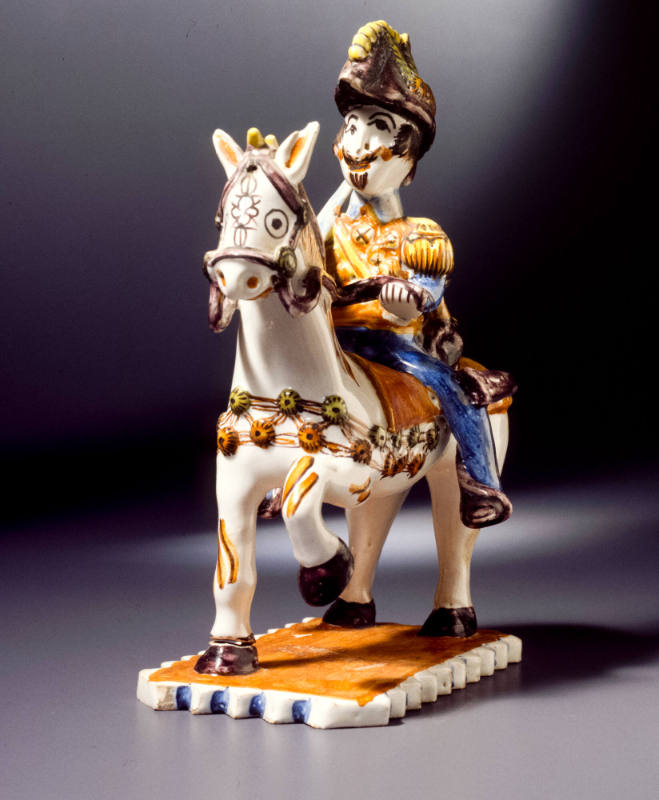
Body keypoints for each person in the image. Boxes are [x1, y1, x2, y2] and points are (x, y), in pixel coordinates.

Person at [318, 21, 515, 528]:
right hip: (329, 346)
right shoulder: (330, 226)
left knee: (449, 386)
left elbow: (427, 291)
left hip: (392, 348)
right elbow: (303, 258)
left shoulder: (419, 234)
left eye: (378, 128)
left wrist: (410, 299)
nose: (359, 141)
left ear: (408, 164)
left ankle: (481, 482)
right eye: (353, 125)